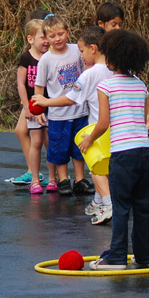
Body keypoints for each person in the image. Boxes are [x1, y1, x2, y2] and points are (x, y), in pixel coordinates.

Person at [79, 29, 149, 270]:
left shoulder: (106, 86)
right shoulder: (141, 85)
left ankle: (117, 257)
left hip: (123, 154)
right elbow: (146, 119)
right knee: (143, 206)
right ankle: (146, 255)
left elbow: (103, 123)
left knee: (121, 207)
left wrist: (89, 139)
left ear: (113, 57)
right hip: (144, 151)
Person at [34, 26, 113, 223]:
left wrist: (46, 102)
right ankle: (98, 201)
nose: (81, 55)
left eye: (82, 51)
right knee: (108, 169)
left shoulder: (90, 74)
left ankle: (108, 204)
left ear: (93, 48)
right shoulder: (117, 69)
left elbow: (70, 98)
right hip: (118, 129)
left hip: (98, 129)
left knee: (96, 169)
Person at [35, 15, 87, 195]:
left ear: (68, 32)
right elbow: (39, 87)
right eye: (52, 36)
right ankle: (64, 180)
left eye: (60, 34)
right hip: (58, 114)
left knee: (80, 147)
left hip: (80, 111)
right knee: (59, 148)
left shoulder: (76, 50)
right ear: (46, 38)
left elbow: (88, 70)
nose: (57, 39)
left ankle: (80, 180)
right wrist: (39, 109)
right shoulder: (46, 60)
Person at [10, 18, 49, 192]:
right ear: (30, 39)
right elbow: (21, 83)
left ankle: (56, 176)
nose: (47, 41)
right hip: (33, 106)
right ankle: (34, 174)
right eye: (43, 37)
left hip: (50, 105)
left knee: (50, 141)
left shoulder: (50, 56)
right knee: (36, 141)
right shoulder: (26, 57)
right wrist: (26, 106)